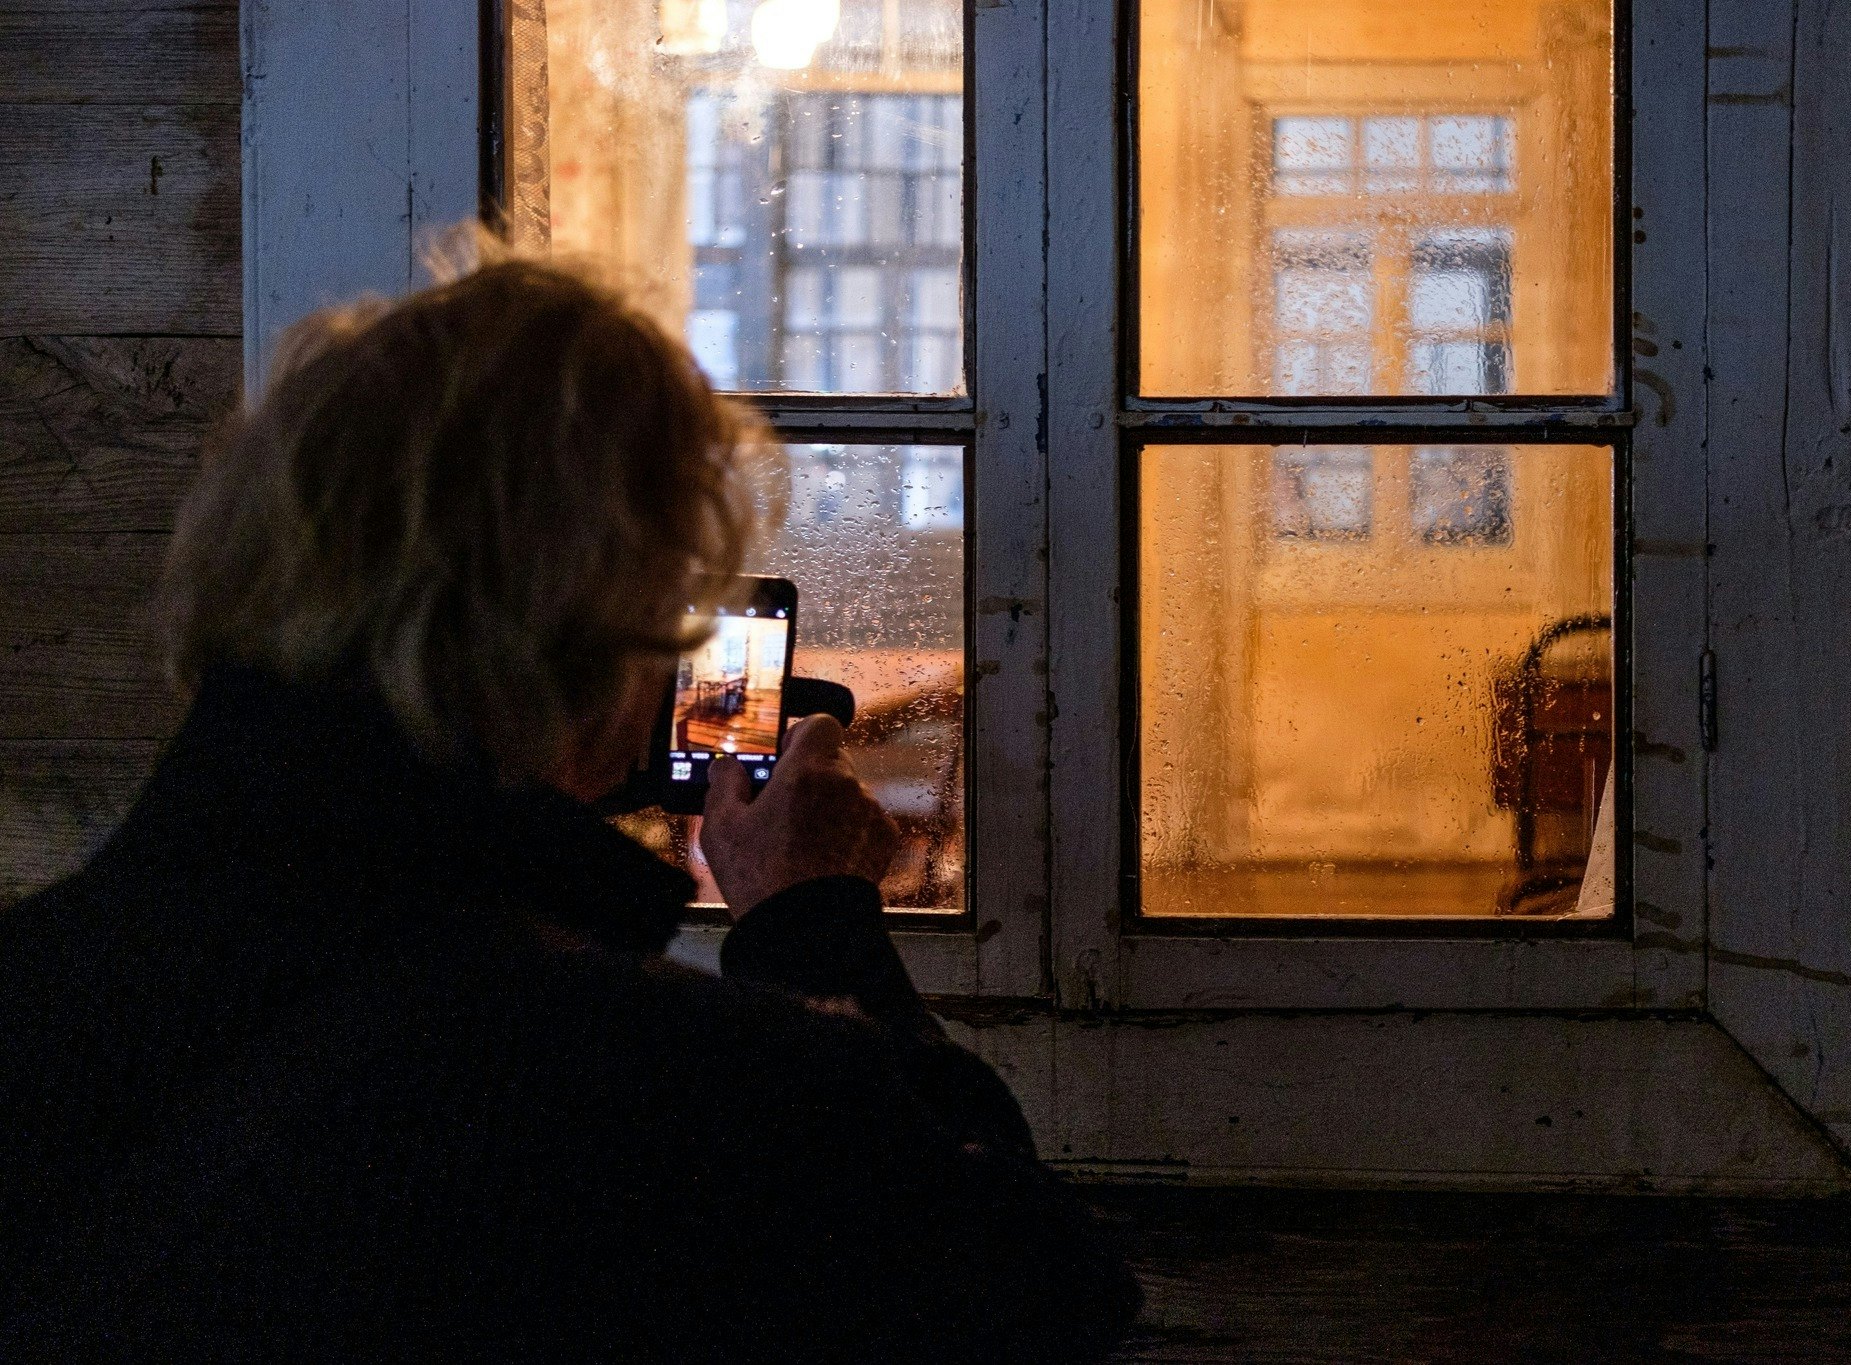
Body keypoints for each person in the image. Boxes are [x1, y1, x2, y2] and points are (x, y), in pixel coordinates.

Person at [0, 253, 1139, 1360]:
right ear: (597, 632)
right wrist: (812, 926)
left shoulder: (40, 981)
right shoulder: (656, 1088)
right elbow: (1047, 1291)